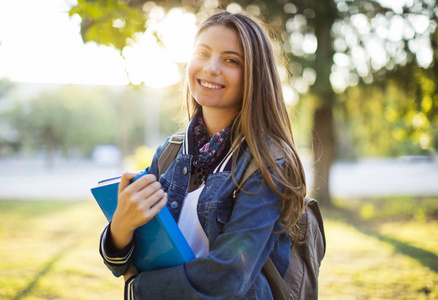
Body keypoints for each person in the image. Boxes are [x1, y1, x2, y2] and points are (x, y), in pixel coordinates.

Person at [99, 10, 307, 299]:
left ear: (254, 76)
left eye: (231, 60)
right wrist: (120, 225)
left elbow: (228, 276)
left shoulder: (268, 165)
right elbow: (119, 263)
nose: (210, 68)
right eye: (202, 53)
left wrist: (139, 290)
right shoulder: (170, 153)